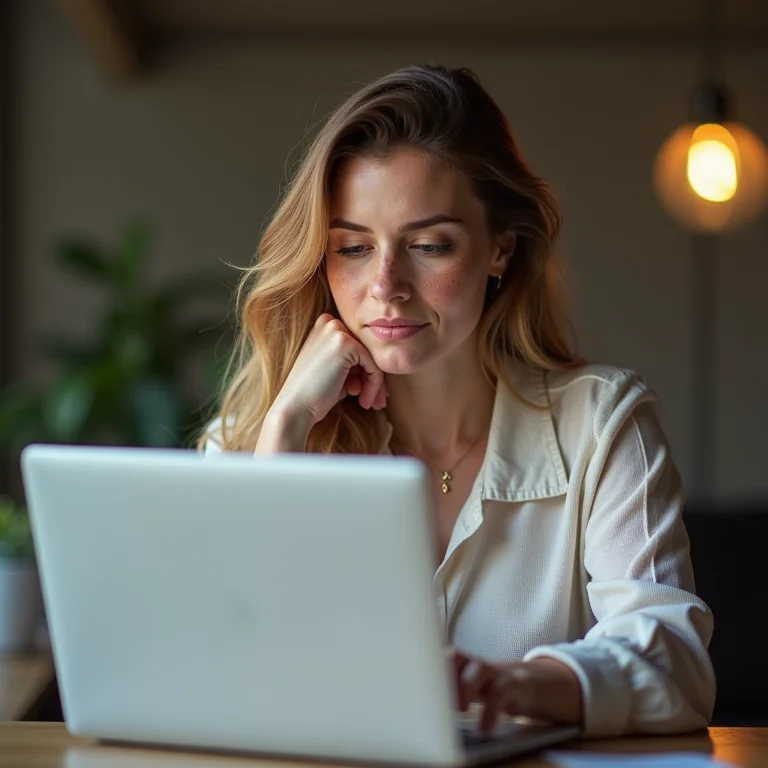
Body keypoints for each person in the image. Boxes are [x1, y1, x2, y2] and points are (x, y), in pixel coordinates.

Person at [202, 65, 715, 737]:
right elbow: (219, 673)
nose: (386, 285)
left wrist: (520, 684)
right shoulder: (249, 443)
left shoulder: (601, 423)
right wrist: (287, 429)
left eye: (428, 245)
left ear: (500, 248)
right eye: (353, 247)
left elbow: (675, 664)